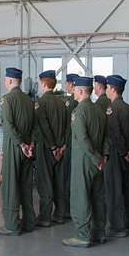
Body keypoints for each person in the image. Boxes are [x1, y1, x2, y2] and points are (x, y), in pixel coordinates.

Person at [62, 76, 107, 248]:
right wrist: (102, 158)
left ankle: (82, 235)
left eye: (74, 89)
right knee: (97, 197)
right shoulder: (98, 110)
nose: (72, 91)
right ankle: (99, 233)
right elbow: (106, 137)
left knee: (80, 197)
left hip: (84, 160)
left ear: (81, 91)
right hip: (98, 162)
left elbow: (82, 137)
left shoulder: (79, 111)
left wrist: (95, 157)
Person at [0, 67, 35, 236]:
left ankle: (11, 225)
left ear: (10, 81)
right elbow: (35, 125)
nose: (5, 82)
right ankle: (29, 221)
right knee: (26, 185)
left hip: (14, 147)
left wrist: (21, 144)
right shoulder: (28, 100)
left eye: (6, 79)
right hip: (28, 148)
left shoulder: (7, 99)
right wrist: (30, 144)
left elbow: (8, 126)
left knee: (10, 185)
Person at [32, 70, 69, 228]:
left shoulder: (41, 102)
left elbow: (44, 127)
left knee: (45, 182)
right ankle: (60, 214)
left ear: (44, 84)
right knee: (59, 181)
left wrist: (53, 147)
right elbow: (69, 126)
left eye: (41, 83)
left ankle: (45, 217)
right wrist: (63, 146)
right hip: (61, 149)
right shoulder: (62, 102)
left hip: (47, 148)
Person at [103, 75, 129, 238]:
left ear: (113, 89)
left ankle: (118, 226)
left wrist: (123, 153)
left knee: (114, 189)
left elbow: (116, 134)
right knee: (127, 188)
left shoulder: (112, 108)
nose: (106, 90)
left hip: (117, 154)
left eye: (108, 87)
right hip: (128, 154)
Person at [59, 73, 76, 221]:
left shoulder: (71, 102)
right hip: (73, 144)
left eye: (67, 83)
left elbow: (68, 127)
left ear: (72, 84)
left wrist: (64, 144)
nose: (66, 86)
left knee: (67, 176)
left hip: (69, 144)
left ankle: (68, 209)